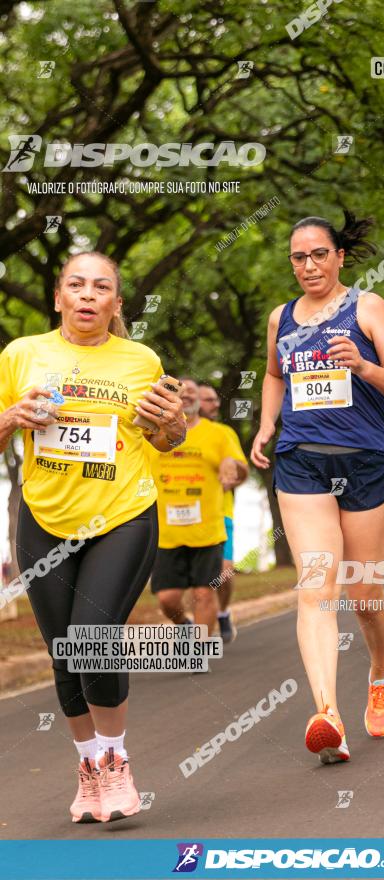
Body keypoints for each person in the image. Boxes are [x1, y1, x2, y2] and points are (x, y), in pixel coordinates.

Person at [0, 252, 185, 823]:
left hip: (121, 516)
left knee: (91, 636)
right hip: (44, 517)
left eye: (100, 287)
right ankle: (88, 767)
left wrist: (172, 422)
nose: (86, 295)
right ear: (58, 297)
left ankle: (116, 759)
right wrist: (12, 418)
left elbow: (168, 438)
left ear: (116, 303)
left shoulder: (140, 359)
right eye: (75, 285)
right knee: (64, 653)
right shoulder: (21, 355)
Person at [251, 210, 384, 764]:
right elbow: (275, 375)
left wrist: (364, 368)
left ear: (339, 256)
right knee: (317, 584)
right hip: (302, 461)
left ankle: (379, 670)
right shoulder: (280, 318)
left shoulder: (366, 307)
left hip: (367, 460)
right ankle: (328, 714)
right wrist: (267, 425)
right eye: (298, 257)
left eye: (319, 253)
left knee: (363, 591)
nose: (308, 265)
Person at [147, 378, 248, 638]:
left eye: (193, 391)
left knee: (205, 591)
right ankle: (184, 627)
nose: (188, 395)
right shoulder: (152, 434)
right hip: (166, 533)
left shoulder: (219, 434)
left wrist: (233, 467)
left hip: (207, 529)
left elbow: (240, 467)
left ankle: (200, 650)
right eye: (181, 391)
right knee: (167, 599)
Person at [197, 382, 247, 643]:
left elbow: (242, 470)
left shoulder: (224, 432)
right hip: (179, 520)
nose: (215, 404)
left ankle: (224, 611)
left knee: (224, 571)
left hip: (219, 513)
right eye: (208, 400)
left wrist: (233, 473)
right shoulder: (172, 432)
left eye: (216, 399)